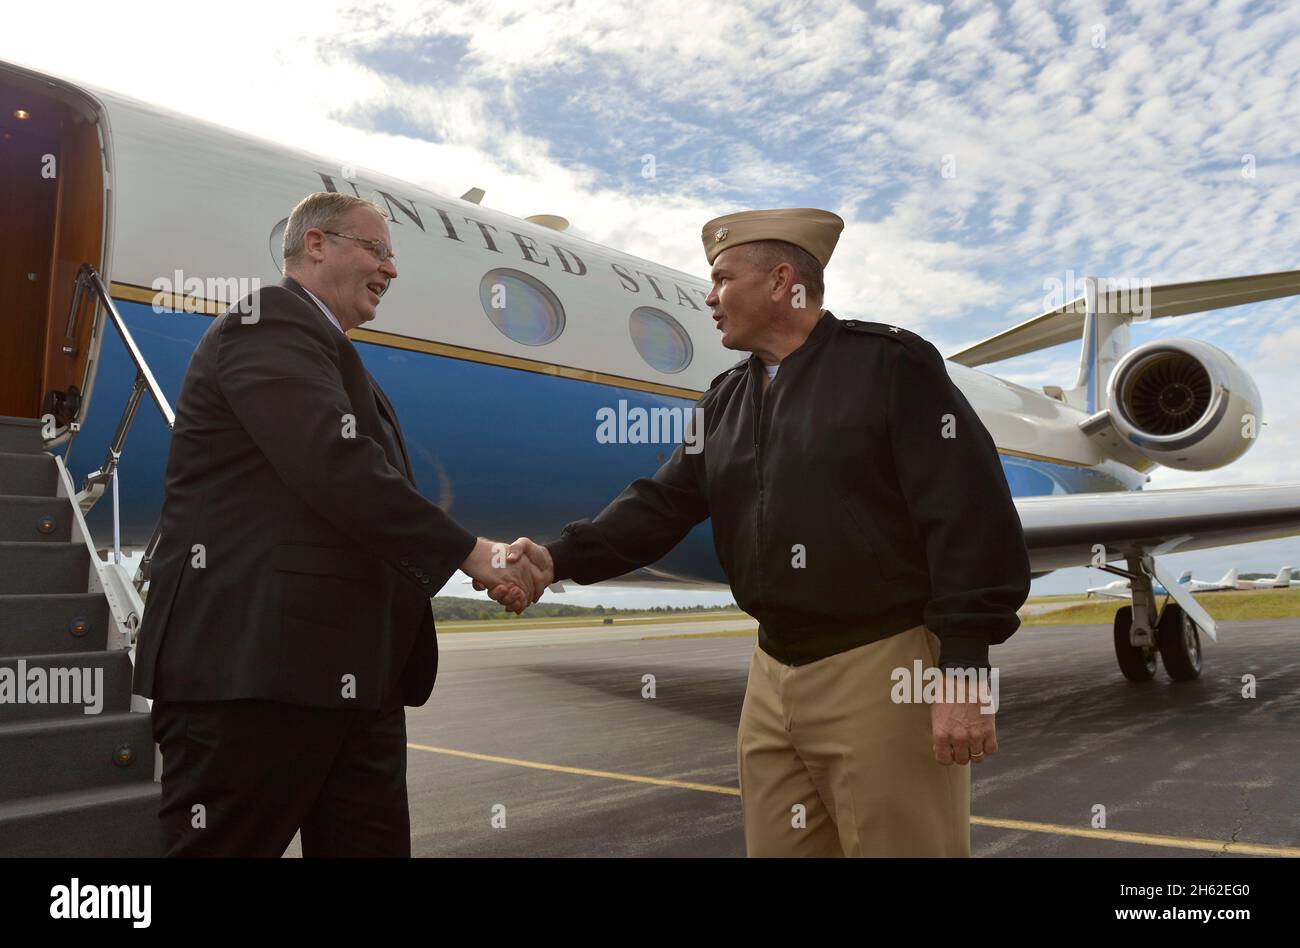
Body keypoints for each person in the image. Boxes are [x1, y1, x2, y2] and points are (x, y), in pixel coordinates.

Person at [497, 207, 1032, 856]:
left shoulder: (891, 366)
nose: (710, 297)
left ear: (782, 282)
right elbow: (660, 505)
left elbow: (968, 516)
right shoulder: (725, 398)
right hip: (772, 673)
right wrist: (555, 560)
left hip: (881, 664)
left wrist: (965, 671)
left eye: (721, 278)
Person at [133, 192, 533, 857]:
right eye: (377, 250)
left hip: (355, 681)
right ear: (315, 245)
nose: (392, 270)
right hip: (258, 677)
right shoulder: (266, 323)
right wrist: (472, 553)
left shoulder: (331, 352)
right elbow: (335, 464)